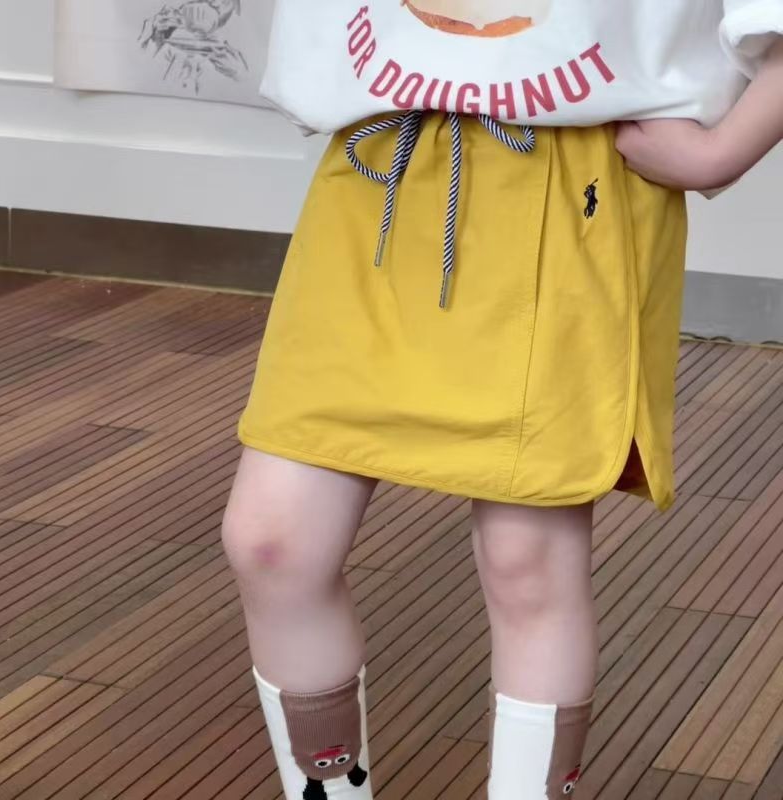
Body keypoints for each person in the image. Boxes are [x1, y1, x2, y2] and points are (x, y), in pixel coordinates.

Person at [221, 1, 783, 797]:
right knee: (273, 544)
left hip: (567, 180)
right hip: (378, 166)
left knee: (528, 561)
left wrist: (725, 150)